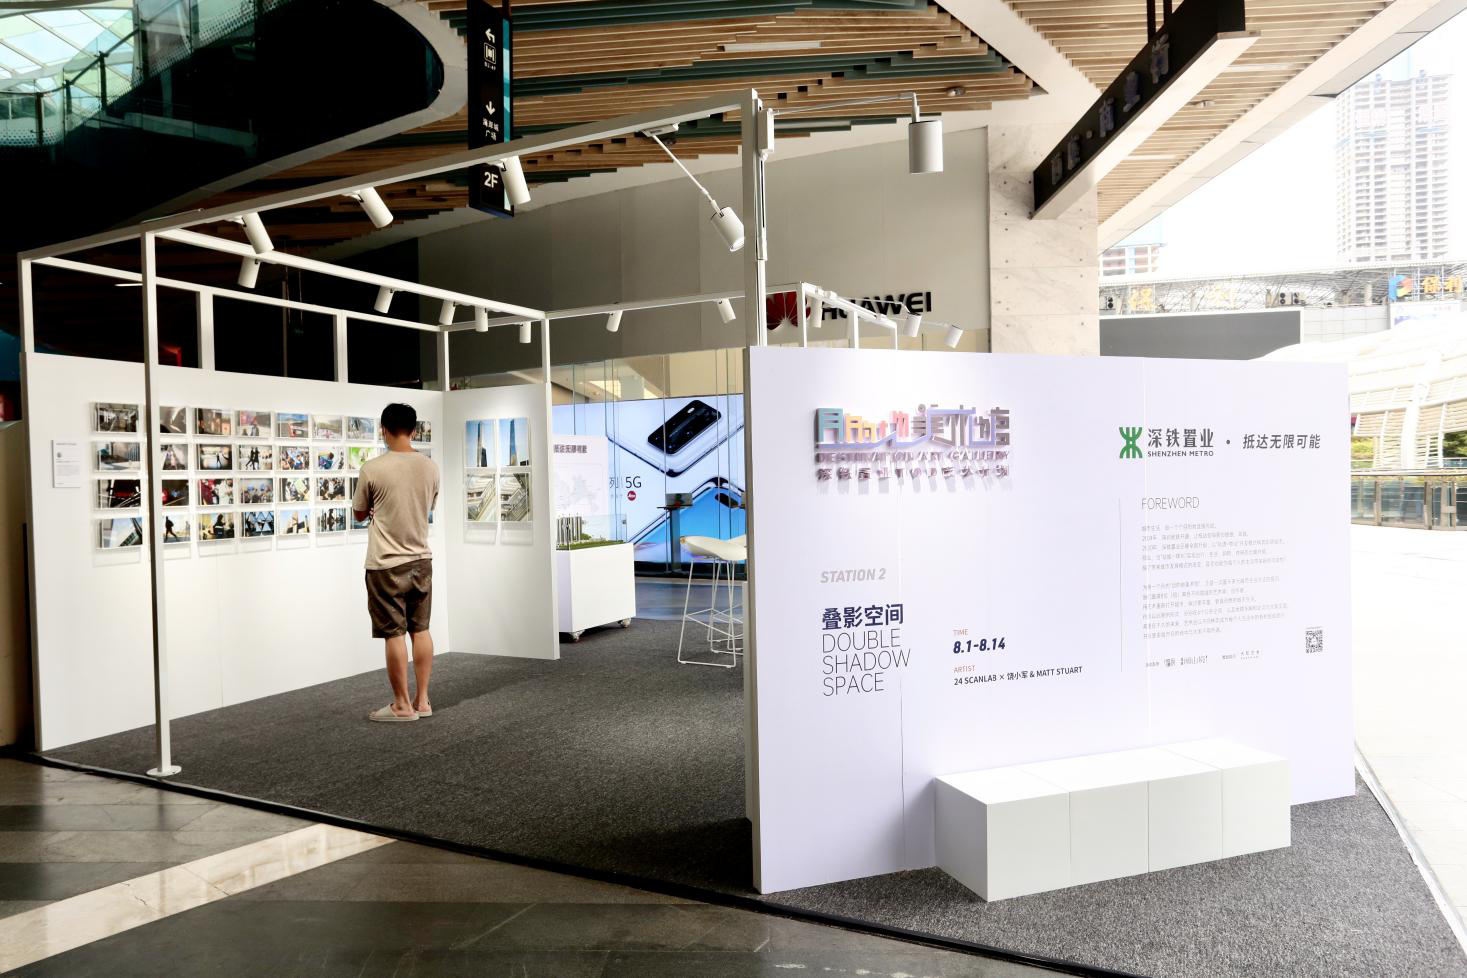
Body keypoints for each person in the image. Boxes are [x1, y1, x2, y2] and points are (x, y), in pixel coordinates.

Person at [353, 403, 439, 723]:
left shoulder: (373, 468)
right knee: (421, 629)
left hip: (386, 563)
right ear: (414, 430)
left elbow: (359, 513)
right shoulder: (430, 467)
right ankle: (423, 700)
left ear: (384, 430)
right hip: (421, 559)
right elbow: (429, 506)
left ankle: (402, 704)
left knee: (394, 633)